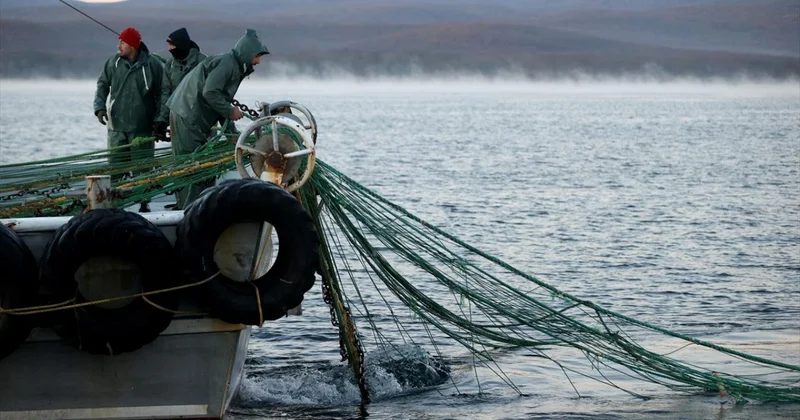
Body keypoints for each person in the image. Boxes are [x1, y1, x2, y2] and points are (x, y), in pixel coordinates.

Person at [166, 28, 270, 210]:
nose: (258, 61)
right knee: (190, 165)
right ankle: (188, 211)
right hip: (186, 114)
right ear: (246, 53)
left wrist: (232, 135)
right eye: (257, 56)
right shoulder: (227, 64)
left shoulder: (235, 66)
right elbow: (210, 92)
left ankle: (200, 207)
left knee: (202, 164)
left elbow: (220, 99)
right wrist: (230, 111)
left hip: (192, 115)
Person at [93, 27, 169, 212]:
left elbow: (163, 93)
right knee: (116, 167)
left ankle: (144, 202)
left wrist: (161, 120)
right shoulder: (113, 63)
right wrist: (99, 107)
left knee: (142, 168)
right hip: (116, 126)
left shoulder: (153, 66)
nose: (118, 45)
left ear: (133, 46)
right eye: (119, 41)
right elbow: (102, 84)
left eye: (123, 42)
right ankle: (114, 203)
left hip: (141, 126)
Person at [157, 27, 207, 133]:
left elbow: (213, 92)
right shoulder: (170, 65)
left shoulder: (203, 63)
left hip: (202, 121)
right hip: (178, 121)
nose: (169, 49)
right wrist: (162, 120)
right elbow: (166, 93)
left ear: (180, 45)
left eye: (172, 45)